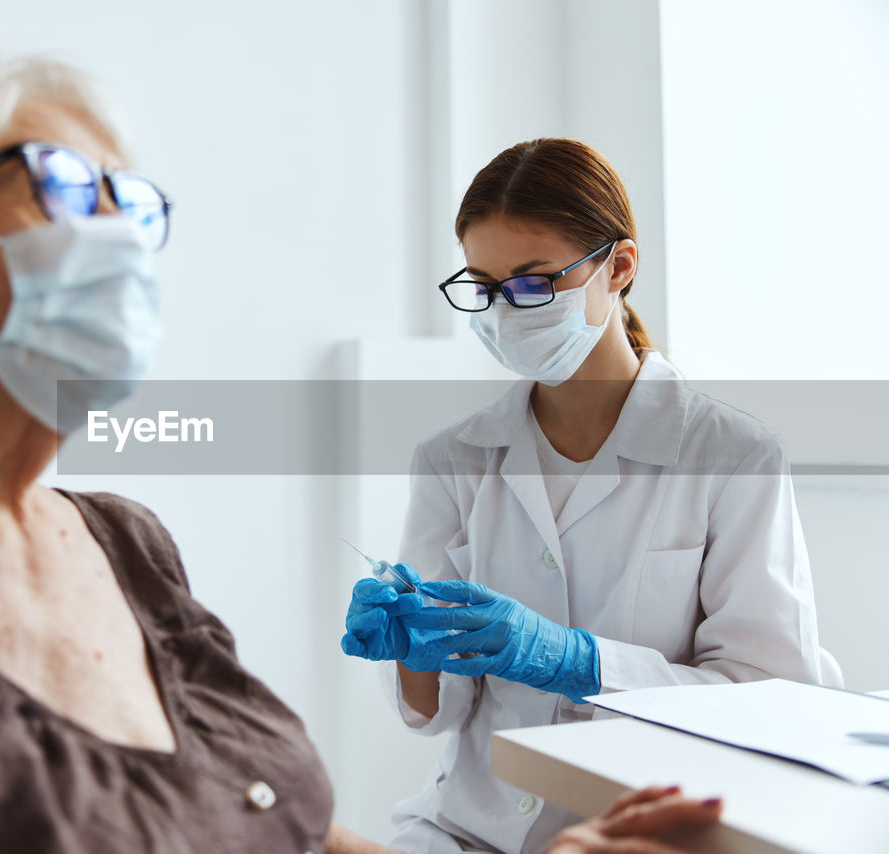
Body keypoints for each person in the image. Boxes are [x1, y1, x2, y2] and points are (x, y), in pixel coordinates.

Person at [0, 59, 718, 853]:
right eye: (61, 184)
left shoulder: (119, 542)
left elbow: (268, 824)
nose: (118, 239)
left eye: (131, 204)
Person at [341, 138, 831, 854]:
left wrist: (580, 661)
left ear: (619, 267)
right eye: (485, 286)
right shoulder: (453, 458)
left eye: (534, 283)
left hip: (640, 830)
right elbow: (438, 715)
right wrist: (413, 648)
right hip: (464, 831)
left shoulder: (731, 456)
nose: (507, 310)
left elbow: (769, 698)